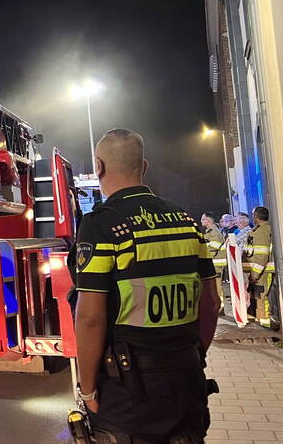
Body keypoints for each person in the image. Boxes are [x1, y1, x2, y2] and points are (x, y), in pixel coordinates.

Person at [73, 129, 219, 442]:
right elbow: (211, 302)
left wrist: (87, 389)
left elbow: (90, 318)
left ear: (98, 166)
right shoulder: (186, 221)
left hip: (128, 391)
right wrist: (193, 357)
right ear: (145, 167)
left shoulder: (101, 224)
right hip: (187, 380)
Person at [245, 206, 277, 329]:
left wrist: (255, 275)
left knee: (261, 295)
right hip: (261, 270)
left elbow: (261, 256)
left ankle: (265, 322)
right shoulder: (262, 229)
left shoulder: (261, 232)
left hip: (262, 271)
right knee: (259, 295)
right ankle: (261, 318)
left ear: (256, 217)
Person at [201, 212, 226, 315]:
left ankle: (220, 308)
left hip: (216, 263)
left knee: (217, 287)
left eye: (203, 219)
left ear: (208, 221)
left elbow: (214, 246)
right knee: (214, 287)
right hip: (213, 263)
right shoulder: (210, 231)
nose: (201, 221)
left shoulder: (214, 232)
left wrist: (202, 246)